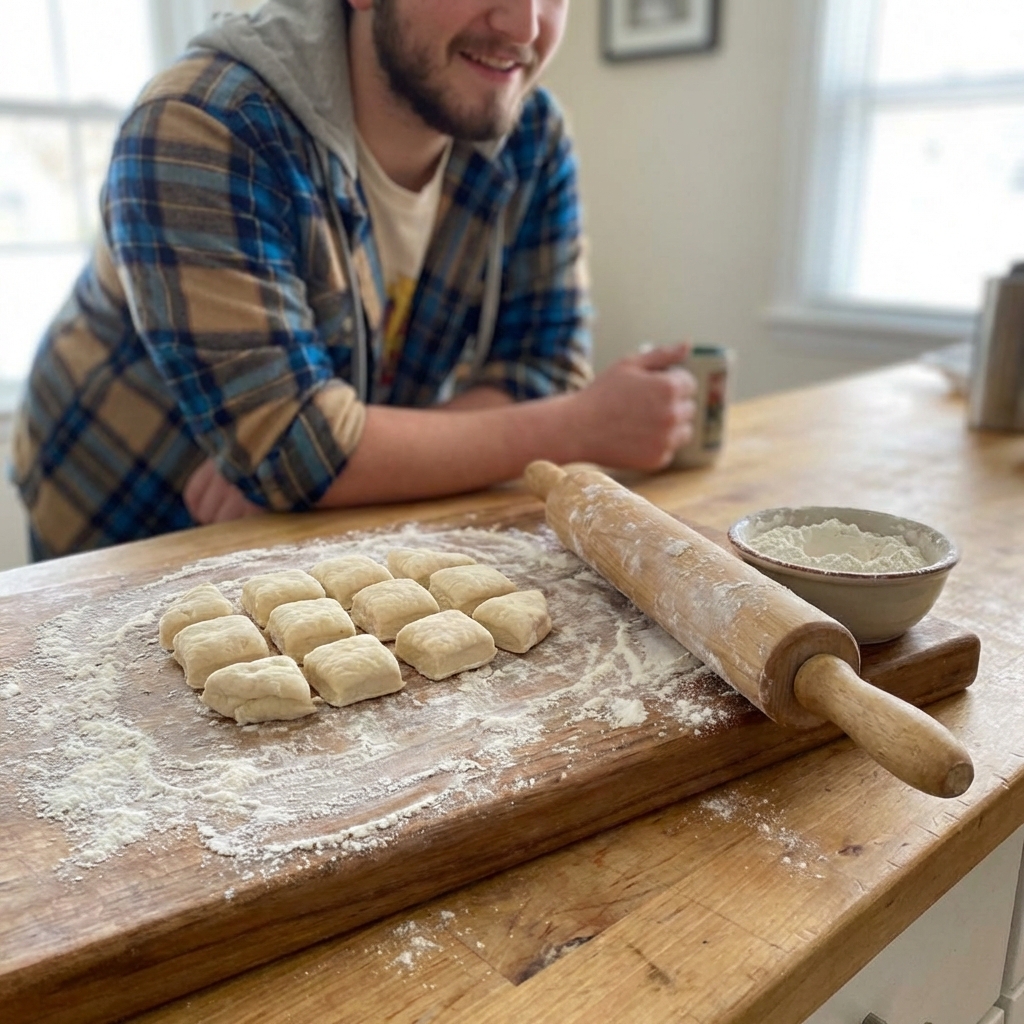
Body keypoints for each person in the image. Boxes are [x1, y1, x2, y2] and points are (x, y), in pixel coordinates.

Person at [12, 0, 696, 559]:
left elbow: (541, 369)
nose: (525, 26)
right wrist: (575, 428)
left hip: (324, 533)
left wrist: (340, 465)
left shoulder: (532, 133)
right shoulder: (201, 121)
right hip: (125, 521)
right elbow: (296, 447)